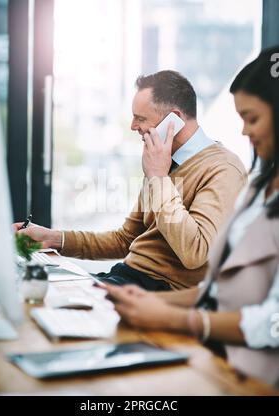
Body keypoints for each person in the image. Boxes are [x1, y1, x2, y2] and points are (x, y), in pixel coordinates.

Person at [104, 47, 279, 388]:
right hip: (213, 337)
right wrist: (152, 304)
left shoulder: (222, 169)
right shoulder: (260, 189)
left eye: (252, 118)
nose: (243, 131)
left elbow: (270, 320)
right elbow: (218, 289)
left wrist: (175, 316)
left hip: (246, 364)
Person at [14, 70, 246, 291]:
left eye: (140, 118)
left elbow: (194, 251)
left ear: (173, 120)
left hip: (159, 290)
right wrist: (54, 238)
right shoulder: (164, 161)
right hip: (126, 277)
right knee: (36, 288)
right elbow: (126, 239)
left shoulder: (223, 169)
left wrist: (158, 178)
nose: (133, 126)